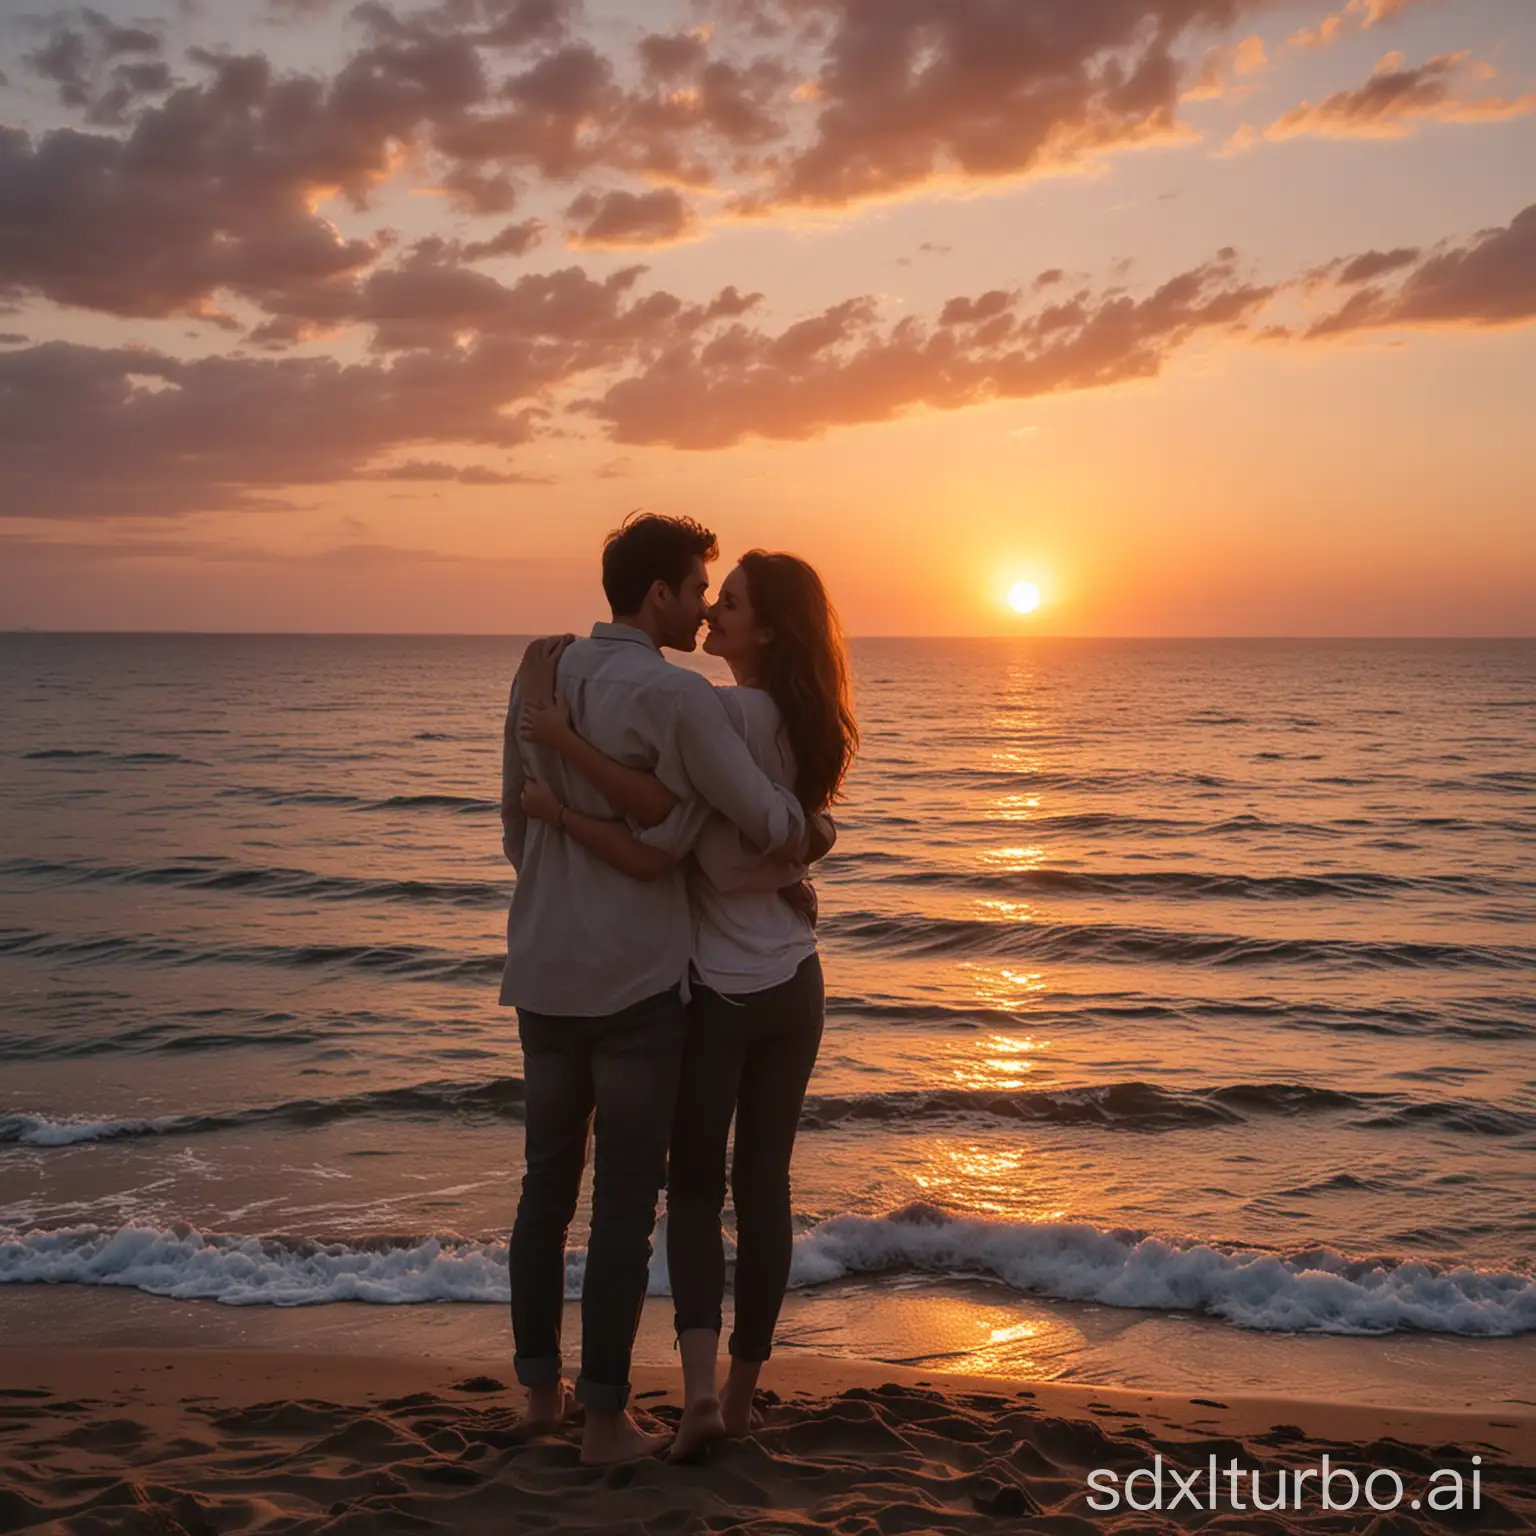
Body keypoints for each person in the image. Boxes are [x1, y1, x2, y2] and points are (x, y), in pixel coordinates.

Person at [518, 550, 858, 1461]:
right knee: (769, 1186)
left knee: (697, 1191)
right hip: (796, 980)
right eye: (710, 594)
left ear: (768, 628)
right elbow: (783, 835)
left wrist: (557, 755)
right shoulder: (810, 716)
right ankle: (743, 1396)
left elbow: (696, 849)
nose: (712, 614)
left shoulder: (715, 709)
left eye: (730, 603)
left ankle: (697, 1395)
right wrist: (809, 847)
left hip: (716, 992)